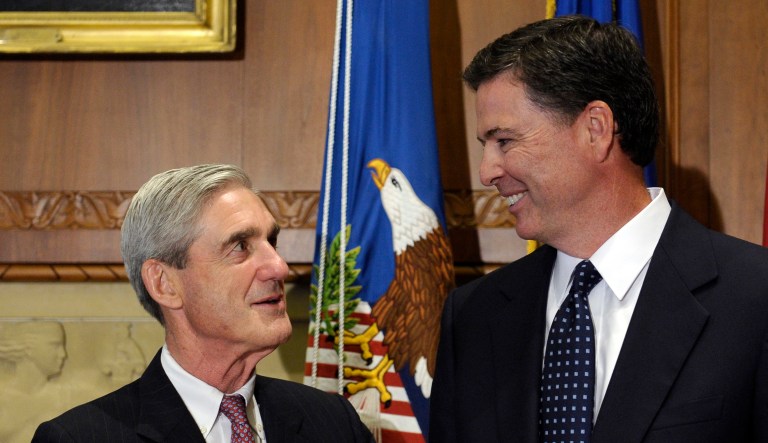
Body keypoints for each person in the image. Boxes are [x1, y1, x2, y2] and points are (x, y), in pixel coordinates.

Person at [429, 15, 768, 443]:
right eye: (485, 147)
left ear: (596, 129)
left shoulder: (755, 298)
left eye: (505, 141)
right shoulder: (473, 316)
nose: (486, 172)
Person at [33, 164, 374, 442]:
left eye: (271, 241)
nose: (279, 267)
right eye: (240, 245)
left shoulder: (334, 423)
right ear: (165, 284)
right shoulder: (78, 438)